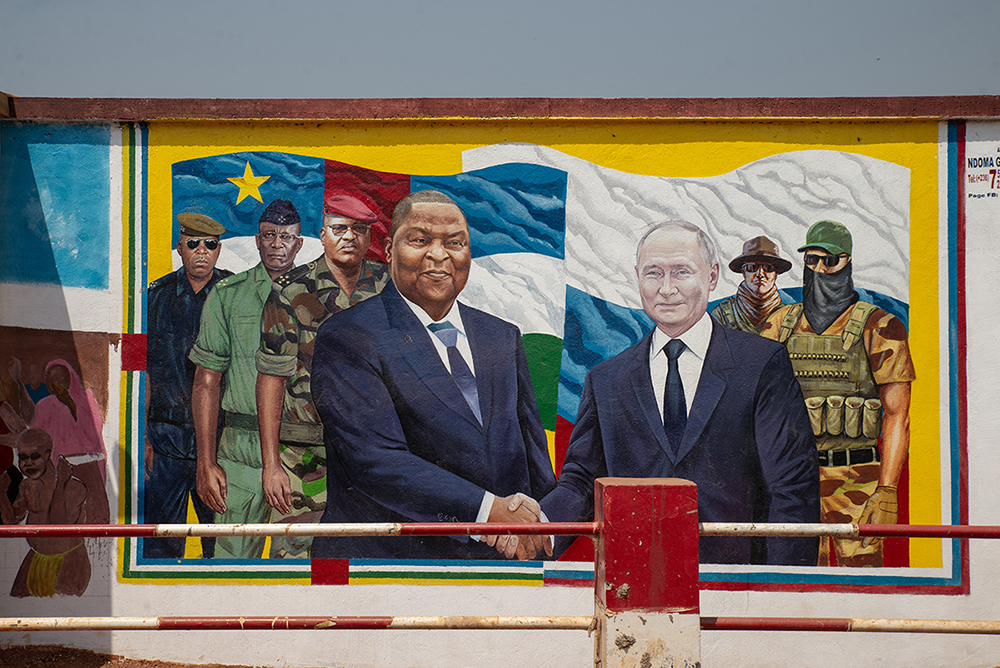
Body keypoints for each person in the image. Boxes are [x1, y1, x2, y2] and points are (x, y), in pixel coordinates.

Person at [542, 221, 820, 565]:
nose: (667, 289)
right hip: (636, 582)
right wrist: (538, 530)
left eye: (682, 272)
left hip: (735, 586)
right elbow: (581, 482)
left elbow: (792, 490)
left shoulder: (762, 365)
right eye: (654, 273)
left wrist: (783, 590)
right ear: (638, 277)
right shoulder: (606, 380)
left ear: (713, 276)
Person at [310, 190, 556, 561]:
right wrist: (490, 512)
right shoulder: (348, 337)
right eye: (420, 240)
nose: (439, 255)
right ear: (390, 252)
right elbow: (377, 461)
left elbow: (533, 456)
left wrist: (541, 530)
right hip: (388, 563)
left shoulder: (501, 336)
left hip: (500, 564)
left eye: (454, 243)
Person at [760, 220, 915, 567]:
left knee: (859, 583)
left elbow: (897, 415)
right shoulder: (777, 325)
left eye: (829, 261)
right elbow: (753, 408)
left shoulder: (880, 326)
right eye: (812, 261)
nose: (819, 270)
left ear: (847, 262)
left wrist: (887, 489)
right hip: (789, 484)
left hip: (856, 483)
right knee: (789, 581)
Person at [255, 192, 390, 558]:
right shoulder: (290, 291)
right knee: (297, 563)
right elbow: (271, 379)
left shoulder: (388, 288)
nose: (350, 237)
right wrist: (271, 465)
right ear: (323, 234)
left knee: (369, 562)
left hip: (372, 455)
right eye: (340, 228)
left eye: (359, 230)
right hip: (303, 456)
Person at [190, 199, 303, 559]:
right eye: (269, 235)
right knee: (232, 566)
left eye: (286, 237)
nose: (276, 244)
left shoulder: (318, 295)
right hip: (239, 449)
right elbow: (207, 380)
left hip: (302, 450)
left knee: (300, 571)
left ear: (299, 244)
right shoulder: (227, 295)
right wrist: (206, 462)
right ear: (257, 240)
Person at [144, 212, 231, 559]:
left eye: (209, 245)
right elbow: (144, 370)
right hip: (164, 441)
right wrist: (145, 438)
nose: (201, 251)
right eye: (192, 243)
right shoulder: (155, 297)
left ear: (219, 250)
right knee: (161, 549)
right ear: (179, 247)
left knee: (222, 548)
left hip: (218, 443)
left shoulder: (231, 295)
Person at [0, 429, 108, 597]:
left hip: (68, 561)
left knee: (65, 610)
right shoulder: (27, 486)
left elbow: (60, 526)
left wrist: (60, 485)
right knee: (18, 599)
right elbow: (11, 522)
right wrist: (1, 494)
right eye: (23, 457)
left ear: (48, 455)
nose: (28, 463)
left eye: (34, 456)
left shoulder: (74, 487)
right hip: (36, 559)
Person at [711, 235, 792, 334]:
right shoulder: (722, 315)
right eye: (751, 267)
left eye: (768, 268)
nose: (760, 274)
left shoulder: (790, 316)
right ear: (744, 272)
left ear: (776, 273)